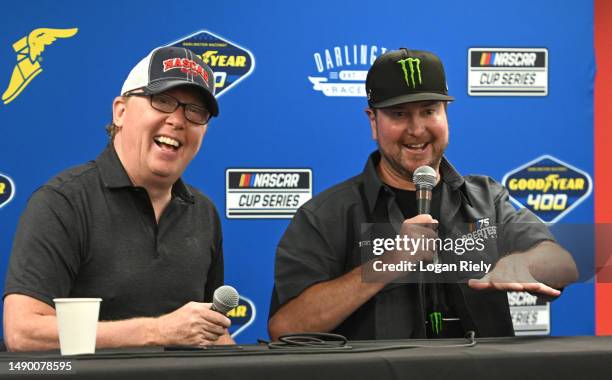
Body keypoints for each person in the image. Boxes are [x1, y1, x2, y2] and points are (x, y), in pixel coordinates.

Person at [268, 48, 578, 340]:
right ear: (373, 122)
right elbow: (286, 328)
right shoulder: (327, 214)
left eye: (429, 111)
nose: (416, 129)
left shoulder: (487, 199)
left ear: (446, 114)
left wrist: (524, 262)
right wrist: (388, 262)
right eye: (399, 114)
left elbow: (562, 264)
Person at [3, 46, 234, 351]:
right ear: (120, 111)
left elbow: (209, 333)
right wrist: (158, 331)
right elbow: (24, 332)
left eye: (196, 111)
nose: (178, 120)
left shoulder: (203, 212)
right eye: (162, 101)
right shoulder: (64, 202)